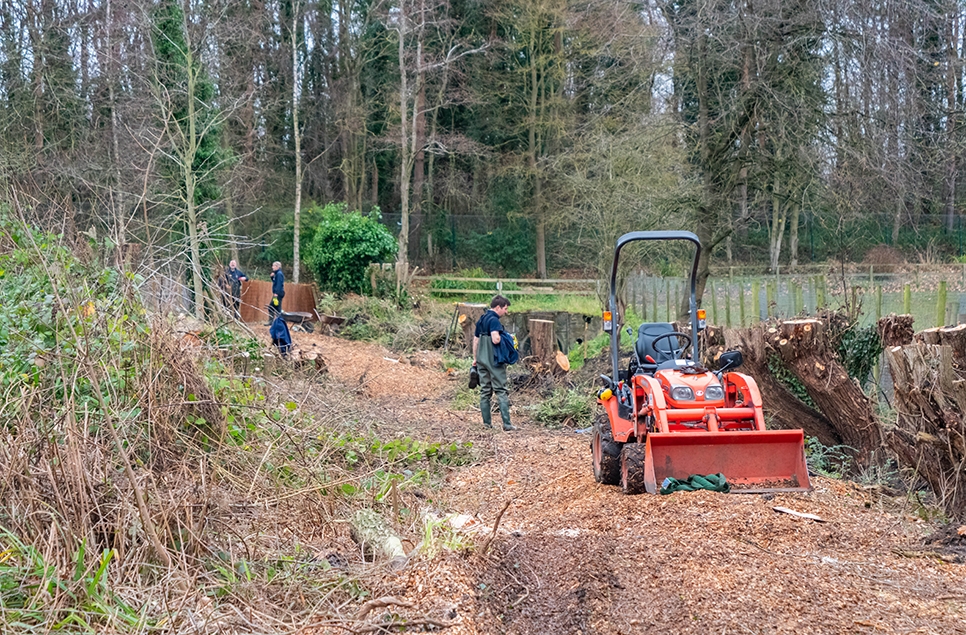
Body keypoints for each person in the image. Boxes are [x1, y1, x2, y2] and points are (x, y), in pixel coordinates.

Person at [472, 295, 517, 431]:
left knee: (485, 391)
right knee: (501, 390)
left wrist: (475, 358)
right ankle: (507, 424)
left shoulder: (482, 319)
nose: (506, 312)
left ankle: (487, 424)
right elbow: (496, 339)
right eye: (505, 309)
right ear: (498, 307)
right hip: (494, 359)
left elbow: (475, 340)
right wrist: (507, 338)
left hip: (481, 359)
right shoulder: (494, 321)